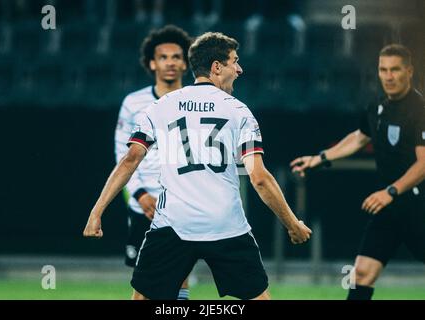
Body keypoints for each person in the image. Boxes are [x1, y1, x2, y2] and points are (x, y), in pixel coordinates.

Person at [84, 31, 311, 300]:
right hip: (225, 224)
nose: (239, 69)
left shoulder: (160, 107)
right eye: (234, 61)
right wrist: (292, 224)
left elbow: (130, 160)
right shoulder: (239, 111)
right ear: (216, 67)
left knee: (142, 298)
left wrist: (97, 211)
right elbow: (259, 178)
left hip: (174, 223)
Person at [290, 44, 425, 300]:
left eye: (395, 69)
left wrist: (390, 191)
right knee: (361, 273)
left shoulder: (420, 109)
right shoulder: (377, 106)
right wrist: (319, 158)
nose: (389, 76)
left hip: (419, 208)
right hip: (390, 209)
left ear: (409, 71)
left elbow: (424, 163)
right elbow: (360, 138)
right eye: (383, 69)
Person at [114, 24, 192, 300]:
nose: (170, 62)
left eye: (176, 57)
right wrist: (139, 193)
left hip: (182, 204)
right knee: (143, 283)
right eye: (163, 57)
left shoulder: (195, 103)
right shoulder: (133, 103)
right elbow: (122, 155)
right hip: (143, 205)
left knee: (180, 277)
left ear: (185, 63)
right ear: (151, 62)